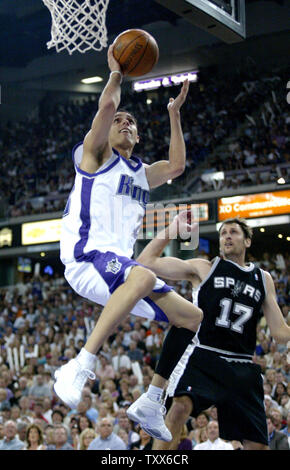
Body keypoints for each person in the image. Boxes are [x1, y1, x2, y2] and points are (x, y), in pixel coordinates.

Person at [53, 43, 203, 443]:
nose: (122, 122)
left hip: (118, 267)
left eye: (129, 121)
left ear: (137, 134)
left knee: (191, 318)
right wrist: (117, 73)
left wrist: (173, 115)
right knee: (138, 275)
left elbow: (175, 167)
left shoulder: (141, 171)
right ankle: (80, 366)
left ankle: (153, 399)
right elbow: (104, 110)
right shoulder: (95, 155)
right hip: (86, 257)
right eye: (118, 119)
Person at [131, 212, 290, 450]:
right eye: (223, 233)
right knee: (179, 408)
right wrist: (171, 230)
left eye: (233, 232)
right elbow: (146, 261)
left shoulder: (262, 277)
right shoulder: (204, 267)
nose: (227, 236)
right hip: (205, 355)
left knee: (258, 446)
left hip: (242, 364)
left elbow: (279, 332)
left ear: (247, 241)